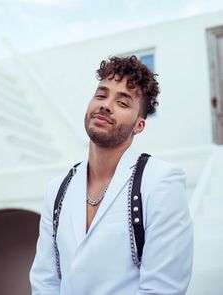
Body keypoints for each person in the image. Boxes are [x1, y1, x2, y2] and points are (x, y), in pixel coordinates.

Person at [30, 55, 193, 295]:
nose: (106, 105)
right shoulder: (58, 189)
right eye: (101, 95)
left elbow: (162, 290)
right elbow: (45, 282)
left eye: (123, 102)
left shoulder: (161, 182)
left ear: (139, 125)